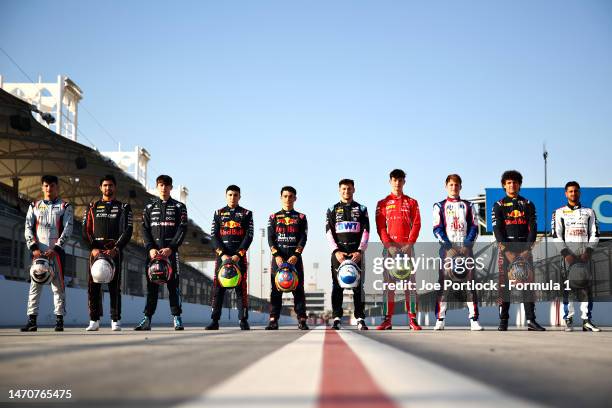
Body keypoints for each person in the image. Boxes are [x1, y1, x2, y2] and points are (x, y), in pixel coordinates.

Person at [492, 170, 545, 331]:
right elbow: (497, 229)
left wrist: (527, 249)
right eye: (508, 182)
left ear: (519, 185)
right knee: (505, 286)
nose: (512, 185)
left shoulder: (528, 204)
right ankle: (503, 320)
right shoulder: (499, 205)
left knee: (527, 284)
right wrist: (506, 251)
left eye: (515, 182)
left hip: (524, 250)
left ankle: (531, 320)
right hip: (507, 250)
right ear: (504, 185)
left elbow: (533, 228)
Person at [135, 175, 188, 331]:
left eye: (166, 185)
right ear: (157, 187)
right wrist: (151, 247)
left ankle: (177, 318)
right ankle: (147, 319)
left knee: (174, 287)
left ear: (171, 187)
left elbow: (182, 228)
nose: (163, 188)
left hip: (171, 254)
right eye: (160, 185)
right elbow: (144, 228)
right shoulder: (149, 207)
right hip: (153, 254)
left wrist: (171, 248)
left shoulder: (179, 207)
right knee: (152, 288)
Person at [21, 175, 73, 332]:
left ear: (57, 187)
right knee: (35, 286)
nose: (49, 189)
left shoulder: (65, 206)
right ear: (42, 187)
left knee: (58, 287)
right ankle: (32, 320)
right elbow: (28, 227)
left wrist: (56, 248)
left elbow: (68, 228)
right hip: (39, 254)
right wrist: (34, 248)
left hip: (56, 253)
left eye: (52, 185)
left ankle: (59, 320)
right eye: (46, 186)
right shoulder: (34, 205)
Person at [82, 174, 133, 331]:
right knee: (93, 286)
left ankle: (115, 319)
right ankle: (94, 320)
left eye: (110, 185)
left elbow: (128, 230)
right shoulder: (92, 207)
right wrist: (93, 248)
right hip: (96, 252)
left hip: (114, 252)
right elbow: (85, 230)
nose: (107, 188)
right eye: (105, 185)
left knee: (114, 287)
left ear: (115, 187)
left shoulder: (124, 207)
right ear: (100, 188)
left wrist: (116, 249)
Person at [432, 174, 483, 331]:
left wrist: (466, 245)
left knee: (470, 283)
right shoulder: (439, 206)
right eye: (451, 185)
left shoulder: (468, 205)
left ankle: (474, 320)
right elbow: (437, 228)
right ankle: (440, 319)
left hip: (465, 249)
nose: (454, 187)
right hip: (447, 250)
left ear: (461, 186)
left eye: (457, 185)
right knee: (444, 284)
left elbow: (475, 227)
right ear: (446, 186)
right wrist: (449, 247)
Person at [375, 169, 422, 330]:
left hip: (407, 249)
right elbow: (380, 227)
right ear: (390, 181)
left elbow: (416, 224)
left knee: (410, 286)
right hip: (389, 250)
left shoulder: (412, 202)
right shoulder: (382, 203)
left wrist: (410, 244)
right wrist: (389, 246)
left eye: (400, 180)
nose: (397, 183)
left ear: (404, 182)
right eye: (394, 180)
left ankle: (413, 319)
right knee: (389, 286)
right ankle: (387, 320)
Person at [552, 181, 600, 332]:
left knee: (586, 288)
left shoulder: (589, 212)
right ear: (566, 194)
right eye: (570, 191)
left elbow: (595, 233)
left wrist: (589, 252)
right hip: (568, 257)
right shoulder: (559, 212)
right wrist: (566, 254)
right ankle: (569, 320)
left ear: (580, 193)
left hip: (585, 255)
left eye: (576, 191)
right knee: (569, 288)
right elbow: (556, 235)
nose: (573, 194)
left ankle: (586, 320)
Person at [206, 185, 254, 330]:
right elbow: (214, 235)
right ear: (226, 196)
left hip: (239, 257)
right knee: (218, 289)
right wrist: (222, 254)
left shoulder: (246, 213)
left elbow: (249, 236)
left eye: (235, 195)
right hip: (222, 257)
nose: (233, 197)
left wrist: (238, 255)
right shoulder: (218, 213)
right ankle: (214, 320)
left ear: (240, 197)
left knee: (241, 290)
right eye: (230, 195)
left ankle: (243, 320)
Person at [326, 179, 370, 330]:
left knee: (358, 287)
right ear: (339, 190)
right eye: (344, 189)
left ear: (354, 190)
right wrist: (336, 251)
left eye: (349, 189)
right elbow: (328, 232)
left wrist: (360, 251)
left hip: (356, 254)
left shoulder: (362, 209)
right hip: (338, 255)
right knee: (337, 286)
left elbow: (366, 231)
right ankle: (337, 318)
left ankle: (360, 318)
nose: (346, 191)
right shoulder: (332, 209)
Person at [266, 186, 309, 330]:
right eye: (285, 196)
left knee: (298, 290)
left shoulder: (301, 217)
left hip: (295, 259)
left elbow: (303, 238)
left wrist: (296, 255)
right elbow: (271, 238)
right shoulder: (273, 217)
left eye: (291, 196)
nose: (288, 199)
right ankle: (273, 319)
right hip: (278, 259)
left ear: (295, 198)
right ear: (281, 198)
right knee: (275, 290)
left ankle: (302, 319)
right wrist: (276, 255)